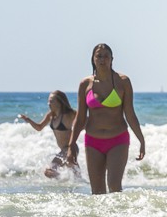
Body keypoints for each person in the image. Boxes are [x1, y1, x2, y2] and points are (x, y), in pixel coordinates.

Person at [66, 44, 146, 193]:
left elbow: (130, 114)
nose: (102, 59)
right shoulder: (85, 84)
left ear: (112, 59)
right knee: (97, 191)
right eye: (99, 56)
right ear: (93, 59)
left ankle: (120, 210)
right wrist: (71, 145)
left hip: (118, 139)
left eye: (106, 56)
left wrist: (141, 140)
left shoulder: (123, 81)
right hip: (93, 141)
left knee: (114, 186)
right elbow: (80, 117)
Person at [19, 90, 81, 179]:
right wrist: (28, 120)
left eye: (51, 101)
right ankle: (66, 182)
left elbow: (83, 120)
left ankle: (63, 180)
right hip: (63, 150)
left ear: (59, 102)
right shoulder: (51, 115)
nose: (48, 103)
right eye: (48, 101)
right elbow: (39, 127)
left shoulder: (68, 115)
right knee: (76, 178)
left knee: (50, 170)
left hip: (70, 149)